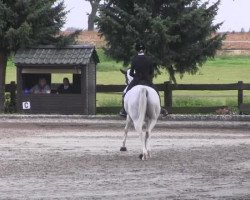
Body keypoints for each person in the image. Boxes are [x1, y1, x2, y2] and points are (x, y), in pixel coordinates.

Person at [119, 43, 168, 117]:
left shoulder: (134, 59)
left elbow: (131, 73)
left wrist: (136, 76)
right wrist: (147, 76)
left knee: (126, 92)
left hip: (136, 80)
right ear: (144, 50)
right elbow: (151, 72)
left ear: (136, 50)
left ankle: (124, 110)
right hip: (147, 80)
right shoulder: (149, 59)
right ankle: (160, 109)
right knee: (156, 93)